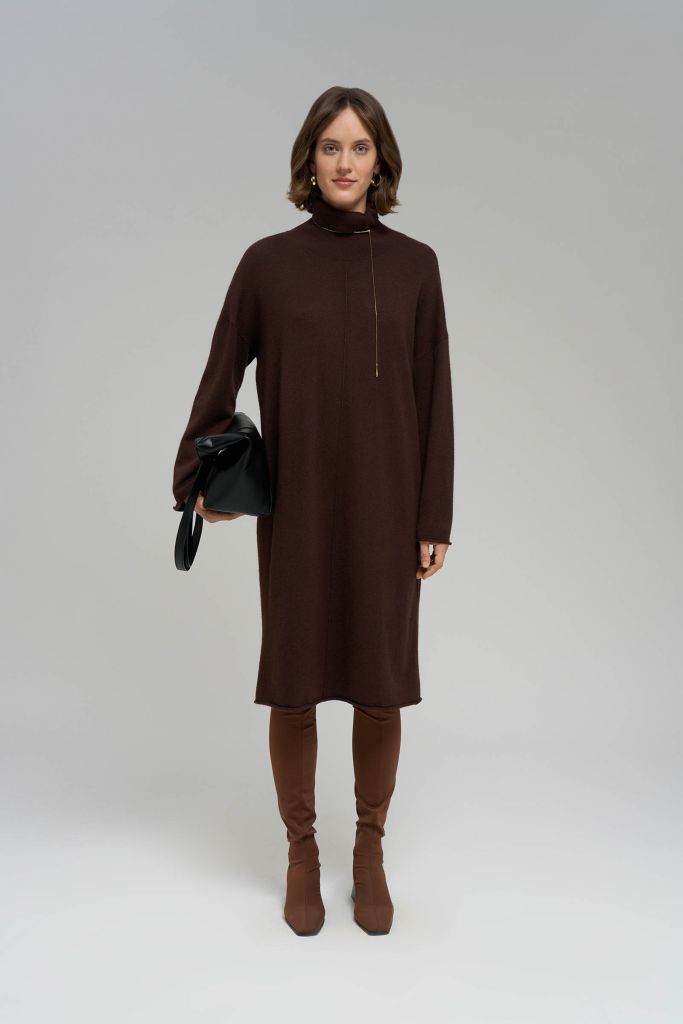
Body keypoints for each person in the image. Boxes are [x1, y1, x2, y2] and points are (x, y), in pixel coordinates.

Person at [171, 86, 454, 936]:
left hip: (387, 503)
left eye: (359, 147)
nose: (344, 162)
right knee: (292, 684)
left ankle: (369, 851)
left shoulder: (415, 266)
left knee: (379, 685)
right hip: (297, 505)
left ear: (381, 162)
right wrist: (196, 480)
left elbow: (435, 397)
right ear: (309, 159)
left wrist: (433, 514)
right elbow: (221, 371)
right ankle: (302, 852)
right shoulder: (267, 264)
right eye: (330, 146)